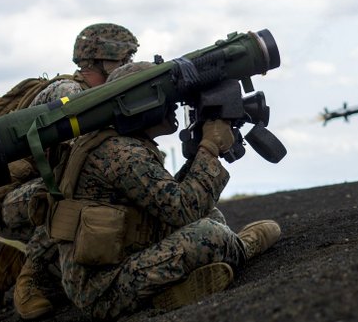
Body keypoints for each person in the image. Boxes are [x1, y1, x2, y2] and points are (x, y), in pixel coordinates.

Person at [46, 61, 281, 320]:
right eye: (166, 99)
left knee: (211, 215)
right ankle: (243, 248)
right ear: (140, 106)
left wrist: (203, 152)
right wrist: (210, 147)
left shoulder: (118, 142)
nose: (174, 106)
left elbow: (167, 197)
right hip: (103, 290)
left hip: (117, 266)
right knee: (211, 234)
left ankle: (174, 291)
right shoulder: (121, 153)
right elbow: (183, 209)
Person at [0, 23, 139, 319]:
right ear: (101, 60)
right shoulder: (70, 93)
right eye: (124, 61)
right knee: (81, 189)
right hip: (8, 202)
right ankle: (30, 276)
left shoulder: (100, 98)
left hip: (39, 191)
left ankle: (12, 264)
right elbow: (81, 169)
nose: (130, 67)